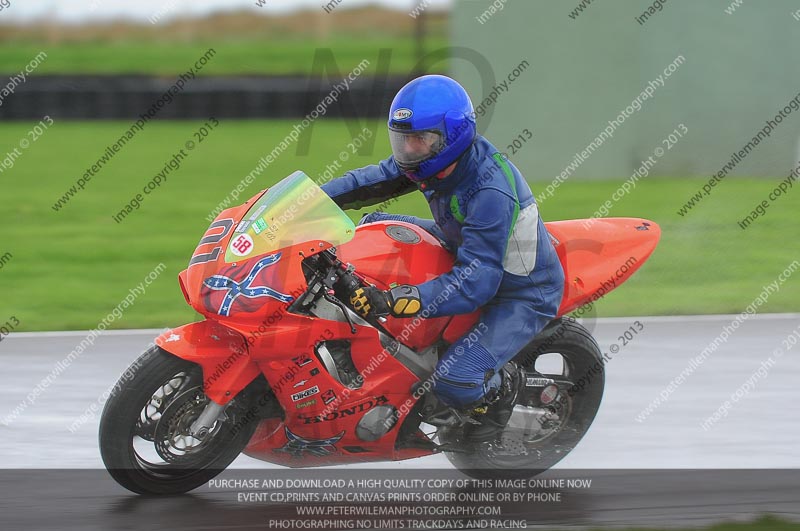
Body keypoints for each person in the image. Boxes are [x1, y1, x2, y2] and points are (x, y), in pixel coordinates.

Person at [321, 74, 565, 441]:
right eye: (402, 140)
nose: (408, 150)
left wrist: (393, 300)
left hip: (520, 291)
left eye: (419, 140)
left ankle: (503, 392)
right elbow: (369, 181)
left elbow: (479, 281)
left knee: (455, 380)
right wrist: (307, 202)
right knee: (374, 224)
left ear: (453, 136)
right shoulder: (429, 159)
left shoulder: (489, 190)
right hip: (461, 242)